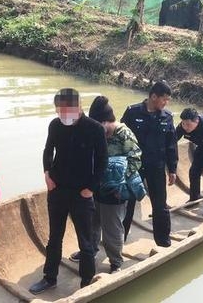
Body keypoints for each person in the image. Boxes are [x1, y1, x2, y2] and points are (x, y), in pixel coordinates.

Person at [29, 88, 108, 294]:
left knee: (85, 240)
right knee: (54, 237)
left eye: (66, 110)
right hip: (57, 189)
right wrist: (47, 174)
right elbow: (48, 150)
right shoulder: (55, 125)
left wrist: (91, 188)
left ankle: (86, 282)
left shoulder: (94, 129)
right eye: (59, 111)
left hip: (82, 193)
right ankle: (49, 277)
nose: (63, 115)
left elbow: (102, 161)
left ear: (79, 106)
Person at [69, 96, 142, 274]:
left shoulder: (124, 134)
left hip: (115, 190)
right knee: (92, 223)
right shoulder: (96, 132)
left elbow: (136, 160)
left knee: (112, 228)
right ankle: (90, 250)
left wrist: (119, 183)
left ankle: (116, 261)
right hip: (95, 187)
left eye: (98, 125)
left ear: (107, 121)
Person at [121, 81, 178, 247]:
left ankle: (163, 241)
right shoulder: (132, 112)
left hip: (157, 167)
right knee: (128, 204)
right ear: (153, 97)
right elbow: (120, 137)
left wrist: (172, 168)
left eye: (167, 100)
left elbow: (171, 145)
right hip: (134, 167)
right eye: (164, 99)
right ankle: (119, 240)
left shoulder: (167, 117)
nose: (166, 103)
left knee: (160, 205)